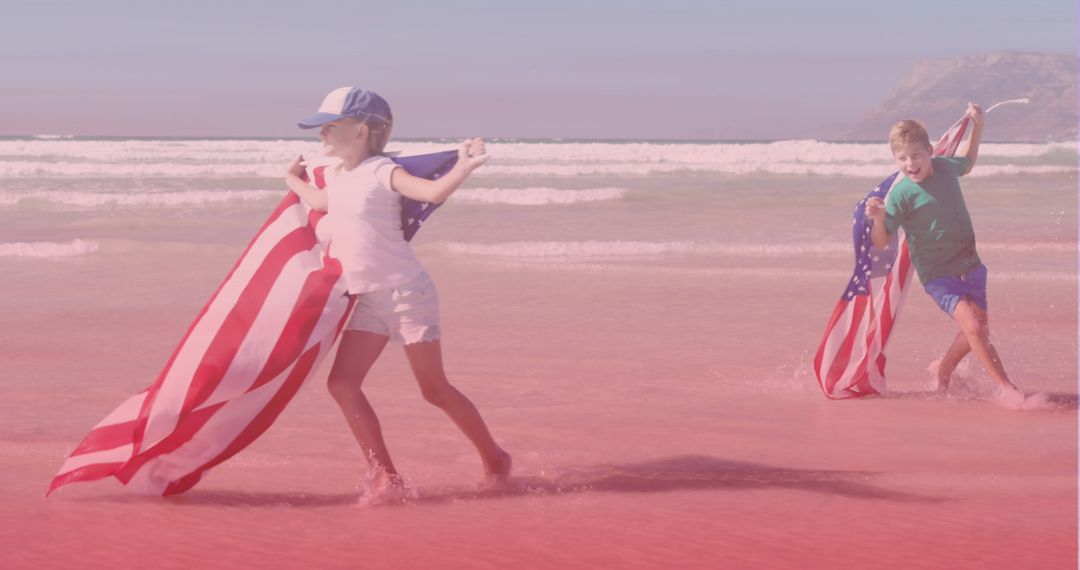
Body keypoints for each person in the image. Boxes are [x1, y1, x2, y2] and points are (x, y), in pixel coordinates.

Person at [285, 86, 511, 503]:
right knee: (342, 384)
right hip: (367, 299)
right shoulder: (336, 176)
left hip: (408, 295)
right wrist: (289, 179)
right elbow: (319, 201)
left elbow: (432, 193)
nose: (321, 135)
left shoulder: (381, 172)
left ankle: (496, 457)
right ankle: (387, 475)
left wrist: (465, 166)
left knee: (434, 390)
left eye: (329, 127)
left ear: (360, 131)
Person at [864, 104, 1028, 408]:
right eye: (902, 158)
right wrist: (876, 217)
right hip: (938, 275)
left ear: (929, 150)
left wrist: (977, 125)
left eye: (916, 155)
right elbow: (882, 239)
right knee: (975, 328)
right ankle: (1006, 387)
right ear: (895, 160)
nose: (910, 163)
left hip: (971, 264)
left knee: (976, 329)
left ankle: (944, 369)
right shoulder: (901, 195)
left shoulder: (944, 167)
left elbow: (966, 162)